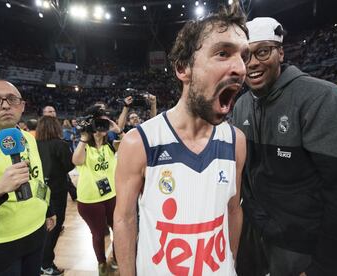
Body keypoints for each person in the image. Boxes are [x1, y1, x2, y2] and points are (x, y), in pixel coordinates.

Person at [113, 1, 248, 275]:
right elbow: (125, 220)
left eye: (244, 56)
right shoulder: (139, 142)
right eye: (223, 53)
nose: (241, 68)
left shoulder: (236, 141)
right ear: (183, 68)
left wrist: (229, 263)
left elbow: (233, 210)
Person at [232, 17, 337, 276]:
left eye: (262, 51)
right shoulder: (241, 105)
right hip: (256, 241)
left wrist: (323, 269)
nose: (252, 63)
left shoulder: (324, 99)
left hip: (305, 250)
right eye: (244, 55)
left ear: (281, 52)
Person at [0, 80, 55, 275]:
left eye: (12, 99)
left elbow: (36, 177)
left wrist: (48, 209)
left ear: (22, 106)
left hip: (34, 235)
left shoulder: (28, 137)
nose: (5, 105)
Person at [72, 105, 122, 276]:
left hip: (111, 196)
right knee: (98, 234)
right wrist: (84, 138)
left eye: (104, 123)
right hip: (90, 200)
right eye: (98, 123)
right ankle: (101, 262)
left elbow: (127, 146)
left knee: (118, 229)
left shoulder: (110, 146)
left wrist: (118, 130)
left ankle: (116, 258)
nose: (101, 128)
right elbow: (77, 161)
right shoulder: (84, 146)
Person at [36, 116, 75, 276]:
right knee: (55, 225)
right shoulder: (61, 144)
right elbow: (69, 165)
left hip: (39, 189)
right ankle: (45, 264)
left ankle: (40, 261)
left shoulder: (34, 144)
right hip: (57, 190)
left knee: (42, 226)